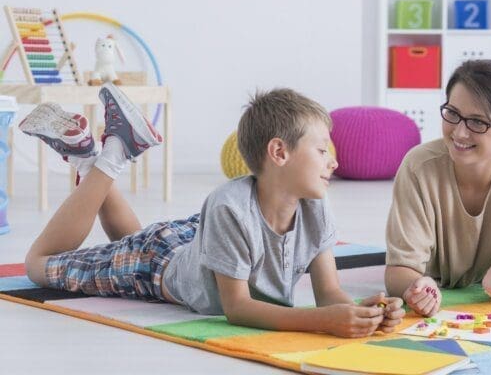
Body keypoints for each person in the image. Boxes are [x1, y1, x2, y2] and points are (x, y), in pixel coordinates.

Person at [21, 84, 405, 338]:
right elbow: (236, 308)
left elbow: (329, 293)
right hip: (157, 264)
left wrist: (364, 311)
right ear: (279, 153)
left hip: (192, 243)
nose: (333, 162)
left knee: (128, 242)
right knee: (38, 265)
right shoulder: (230, 206)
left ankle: (89, 156)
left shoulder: (317, 208)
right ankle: (114, 155)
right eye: (323, 151)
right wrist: (321, 323)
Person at [385, 60, 491, 317]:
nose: (460, 133)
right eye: (453, 114)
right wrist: (416, 287)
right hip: (440, 297)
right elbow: (399, 269)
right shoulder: (418, 166)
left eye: (478, 122)